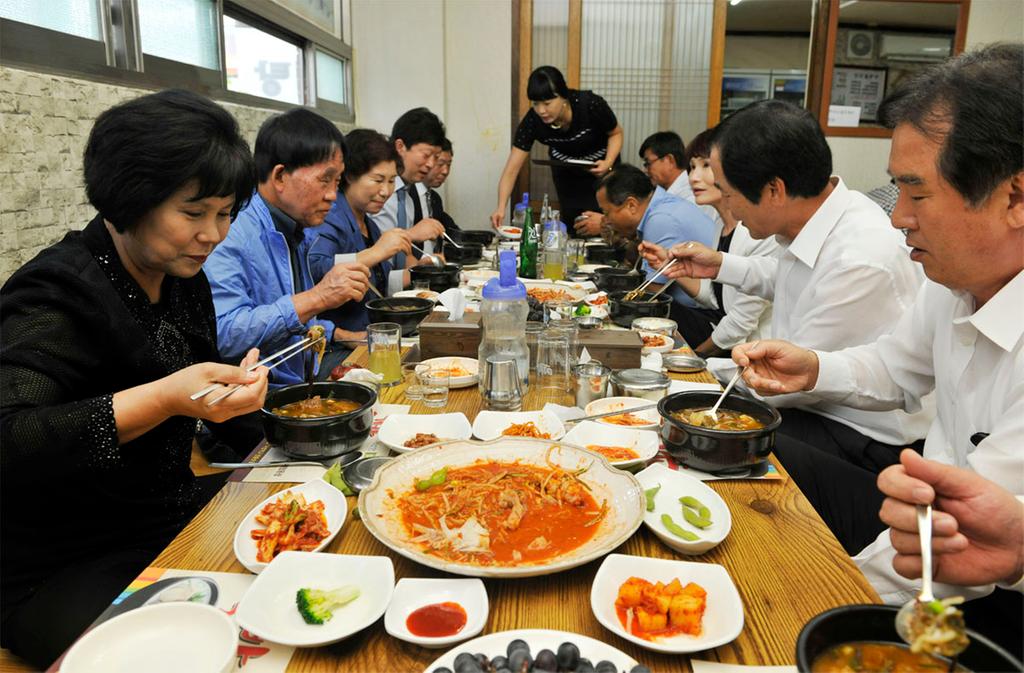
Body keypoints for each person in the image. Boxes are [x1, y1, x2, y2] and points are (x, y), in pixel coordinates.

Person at [729, 43, 1023, 655]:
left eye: (918, 194)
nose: (898, 217)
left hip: (989, 589)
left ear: (1014, 198)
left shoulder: (872, 253)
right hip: (924, 520)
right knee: (753, 446)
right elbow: (895, 366)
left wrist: (804, 607)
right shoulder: (957, 280)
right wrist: (814, 367)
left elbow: (963, 544)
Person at [0, 89, 269, 669]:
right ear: (130, 198)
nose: (214, 234)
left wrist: (263, 422)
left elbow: (205, 394)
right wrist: (164, 399)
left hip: (164, 510)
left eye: (225, 213)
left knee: (294, 540)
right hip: (62, 557)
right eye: (194, 213)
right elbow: (12, 439)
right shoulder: (57, 292)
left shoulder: (183, 276)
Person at [641, 99, 930, 476]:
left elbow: (786, 384)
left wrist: (699, 369)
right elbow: (788, 278)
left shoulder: (859, 258)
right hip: (811, 407)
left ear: (774, 190)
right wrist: (719, 264)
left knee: (703, 446)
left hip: (857, 435)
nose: (728, 206)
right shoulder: (824, 216)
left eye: (729, 194)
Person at [204, 108, 371, 386]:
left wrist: (338, 333)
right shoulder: (232, 231)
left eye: (337, 181)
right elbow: (224, 333)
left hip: (301, 378)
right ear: (280, 176)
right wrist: (319, 297)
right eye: (324, 179)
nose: (333, 195)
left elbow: (293, 316)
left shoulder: (295, 225)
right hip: (256, 396)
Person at [653, 128, 777, 357]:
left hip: (751, 351)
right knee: (659, 307)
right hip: (724, 332)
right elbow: (715, 298)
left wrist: (694, 356)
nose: (693, 177)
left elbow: (740, 321)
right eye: (692, 167)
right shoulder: (721, 224)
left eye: (706, 166)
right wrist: (670, 267)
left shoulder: (758, 231)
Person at [491, 65, 624, 234]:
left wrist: (608, 162)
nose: (541, 110)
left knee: (608, 219)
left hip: (601, 168)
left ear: (563, 96)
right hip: (566, 171)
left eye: (547, 103)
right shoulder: (533, 121)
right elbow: (511, 170)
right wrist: (501, 207)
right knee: (575, 222)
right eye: (536, 103)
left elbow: (616, 133)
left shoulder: (589, 104)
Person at [304, 129, 411, 337]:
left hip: (371, 333)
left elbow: (378, 282)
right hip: (335, 341)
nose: (386, 191)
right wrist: (376, 252)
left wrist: (420, 274)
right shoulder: (328, 215)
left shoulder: (368, 223)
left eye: (391, 181)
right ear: (350, 175)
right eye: (378, 180)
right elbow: (314, 269)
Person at [595, 165, 716, 314]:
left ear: (631, 205)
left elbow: (650, 296)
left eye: (606, 212)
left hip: (704, 314)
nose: (606, 220)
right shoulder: (662, 205)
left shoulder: (660, 219)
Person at [375, 107, 447, 271]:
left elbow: (402, 259)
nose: (430, 164)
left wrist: (421, 267)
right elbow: (370, 249)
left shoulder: (407, 197)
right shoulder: (378, 193)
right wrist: (412, 234)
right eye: (426, 155)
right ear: (400, 146)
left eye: (435, 158)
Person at [424, 137, 461, 234]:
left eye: (448, 165)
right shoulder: (407, 195)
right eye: (440, 164)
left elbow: (453, 232)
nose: (445, 171)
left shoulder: (434, 198)